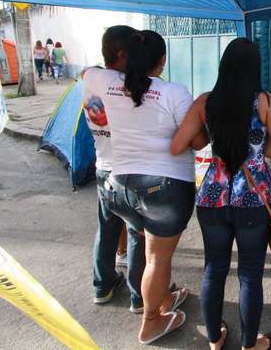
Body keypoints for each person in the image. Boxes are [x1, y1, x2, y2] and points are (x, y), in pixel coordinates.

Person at [171, 38, 271, 350]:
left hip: (212, 196)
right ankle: (250, 344)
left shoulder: (205, 102)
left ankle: (214, 339)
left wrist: (204, 136)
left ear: (224, 66)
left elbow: (178, 145)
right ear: (255, 68)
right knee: (250, 276)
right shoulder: (265, 102)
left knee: (214, 268)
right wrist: (259, 149)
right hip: (253, 199)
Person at [83, 30, 195, 345]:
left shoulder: (101, 81)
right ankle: (150, 320)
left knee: (146, 247)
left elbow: (87, 71)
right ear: (162, 60)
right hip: (161, 187)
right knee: (156, 256)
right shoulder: (173, 92)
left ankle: (156, 299)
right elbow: (194, 140)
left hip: (116, 186)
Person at [82, 26, 144, 314]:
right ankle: (139, 295)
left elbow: (85, 71)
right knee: (136, 232)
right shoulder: (128, 84)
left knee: (106, 229)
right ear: (122, 55)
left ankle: (102, 285)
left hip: (103, 167)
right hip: (128, 171)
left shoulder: (91, 76)